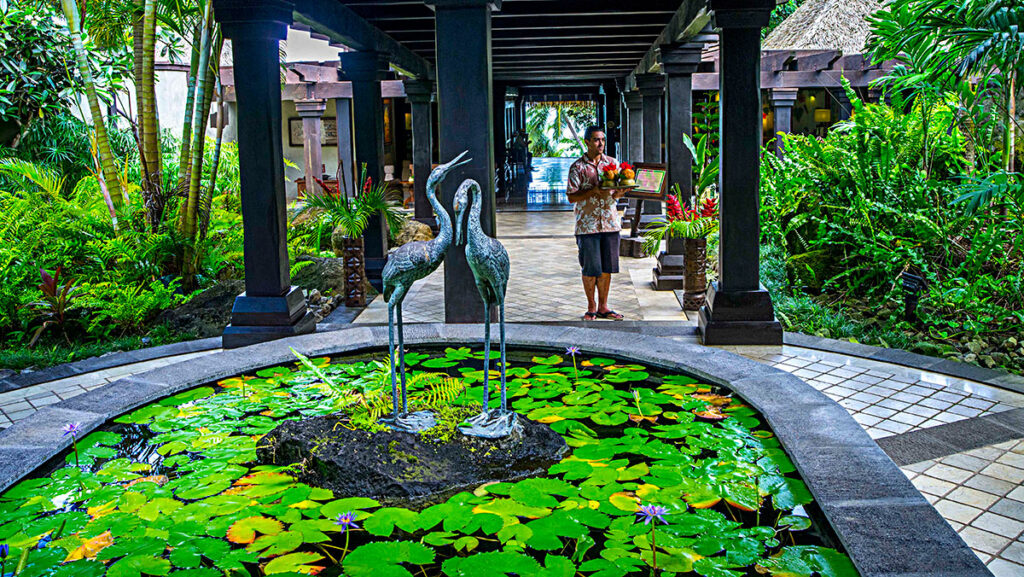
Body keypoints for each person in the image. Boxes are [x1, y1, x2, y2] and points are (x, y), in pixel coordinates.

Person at [566, 126, 628, 320]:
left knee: (606, 268)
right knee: (590, 268)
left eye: (602, 140)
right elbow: (571, 197)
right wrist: (593, 191)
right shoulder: (577, 167)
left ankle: (603, 306)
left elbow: (615, 193)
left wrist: (620, 191)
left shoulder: (612, 164)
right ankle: (591, 306)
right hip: (588, 225)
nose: (600, 144)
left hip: (610, 223)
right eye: (595, 140)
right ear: (587, 142)